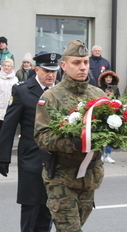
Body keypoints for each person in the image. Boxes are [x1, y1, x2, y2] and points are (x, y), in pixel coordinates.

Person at [34, 40, 106, 231]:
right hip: (62, 176)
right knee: (70, 229)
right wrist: (75, 143)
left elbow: (108, 130)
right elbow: (42, 136)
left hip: (90, 176)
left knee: (75, 226)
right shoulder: (51, 97)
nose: (82, 67)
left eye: (85, 62)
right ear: (64, 66)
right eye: (76, 63)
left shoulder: (99, 95)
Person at [0, 52, 62, 232]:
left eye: (54, 71)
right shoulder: (23, 90)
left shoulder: (61, 91)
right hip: (31, 156)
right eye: (47, 71)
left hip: (57, 157)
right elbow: (9, 126)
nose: (51, 75)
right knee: (31, 206)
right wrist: (3, 157)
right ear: (36, 70)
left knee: (49, 207)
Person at [97, 70, 120, 163]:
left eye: (110, 77)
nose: (108, 79)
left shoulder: (115, 89)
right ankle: (101, 154)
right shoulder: (99, 89)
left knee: (111, 133)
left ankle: (108, 154)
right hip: (102, 112)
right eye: (107, 77)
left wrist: (112, 96)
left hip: (112, 112)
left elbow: (118, 99)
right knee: (102, 134)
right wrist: (104, 95)